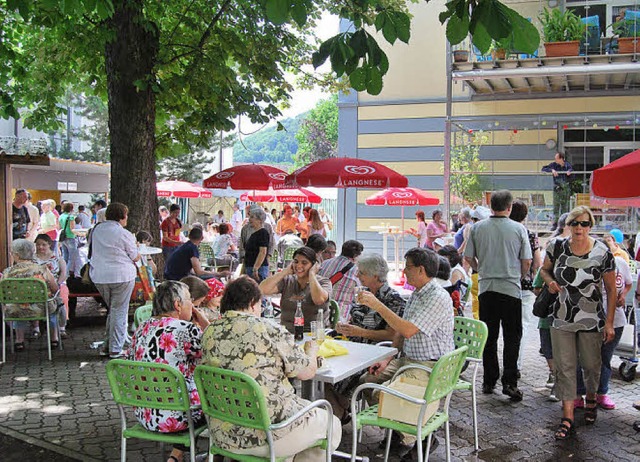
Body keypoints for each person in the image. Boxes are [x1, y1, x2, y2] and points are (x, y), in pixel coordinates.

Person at [201, 276, 341, 460]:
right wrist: (312, 351)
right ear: (252, 304)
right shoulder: (268, 329)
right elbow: (307, 372)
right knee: (332, 422)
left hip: (223, 432)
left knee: (305, 413)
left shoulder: (209, 331)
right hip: (267, 435)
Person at [358, 247, 454, 458]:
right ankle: (398, 432)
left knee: (382, 394)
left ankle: (421, 435)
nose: (403, 272)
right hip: (406, 359)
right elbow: (400, 332)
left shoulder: (436, 297)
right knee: (368, 380)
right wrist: (388, 358)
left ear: (421, 270)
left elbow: (408, 330)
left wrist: (377, 305)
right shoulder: (417, 294)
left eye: (407, 267)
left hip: (429, 366)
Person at [540, 206, 616, 439]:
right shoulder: (557, 246)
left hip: (592, 319)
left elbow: (612, 290)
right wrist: (550, 281)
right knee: (564, 367)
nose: (579, 228)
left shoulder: (602, 252)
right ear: (568, 225)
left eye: (584, 224)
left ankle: (591, 398)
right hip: (562, 317)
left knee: (592, 365)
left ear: (590, 226)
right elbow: (544, 270)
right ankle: (567, 416)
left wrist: (610, 322)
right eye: (575, 223)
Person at [128, 280, 209, 462]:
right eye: (190, 301)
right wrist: (204, 323)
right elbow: (217, 350)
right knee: (215, 400)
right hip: (176, 416)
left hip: (145, 412)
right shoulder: (185, 330)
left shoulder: (141, 328)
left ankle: (176, 456)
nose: (193, 305)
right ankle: (215, 455)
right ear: (177, 305)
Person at [464, 190, 532, 402]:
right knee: (512, 338)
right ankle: (510, 383)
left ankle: (489, 380)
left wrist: (480, 269)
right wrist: (517, 275)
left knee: (489, 337)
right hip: (511, 289)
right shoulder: (519, 228)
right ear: (509, 207)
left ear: (491, 206)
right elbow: (527, 261)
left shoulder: (477, 228)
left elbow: (468, 257)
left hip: (486, 289)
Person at [575, 249, 632, 411]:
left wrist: (622, 296)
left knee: (604, 358)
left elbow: (627, 284)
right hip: (587, 319)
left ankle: (601, 393)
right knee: (581, 358)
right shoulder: (584, 265)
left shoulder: (619, 263)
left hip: (616, 320)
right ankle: (578, 394)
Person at [89, 202, 141, 359]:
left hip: (99, 275)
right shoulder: (123, 233)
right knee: (119, 311)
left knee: (113, 310)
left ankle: (107, 345)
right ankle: (116, 349)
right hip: (122, 275)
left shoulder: (96, 230)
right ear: (122, 216)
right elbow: (135, 256)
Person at [3, 239, 61, 351]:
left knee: (18, 304)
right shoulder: (42, 269)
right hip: (42, 308)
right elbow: (55, 288)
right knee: (54, 305)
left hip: (15, 310)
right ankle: (54, 339)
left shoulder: (7, 272)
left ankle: (19, 341)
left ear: (17, 255)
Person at [337, 253, 405, 344]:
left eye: (361, 273)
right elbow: (355, 322)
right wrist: (345, 328)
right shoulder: (363, 293)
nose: (357, 275)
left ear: (375, 276)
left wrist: (361, 332)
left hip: (376, 350)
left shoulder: (393, 299)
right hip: (353, 345)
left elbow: (392, 335)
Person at [260, 246, 331, 332]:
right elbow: (262, 289)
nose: (299, 266)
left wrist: (312, 274)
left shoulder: (324, 282)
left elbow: (318, 300)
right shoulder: (288, 280)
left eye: (304, 263)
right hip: (286, 333)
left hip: (312, 333)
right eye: (296, 262)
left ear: (313, 265)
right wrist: (285, 271)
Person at [509, 200, 543, 374]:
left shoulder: (504, 233)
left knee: (505, 328)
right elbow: (536, 263)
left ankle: (507, 364)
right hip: (525, 286)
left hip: (504, 285)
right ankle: (516, 364)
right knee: (521, 326)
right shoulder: (529, 235)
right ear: (525, 215)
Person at [35, 233, 69, 338]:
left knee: (62, 295)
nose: (40, 247)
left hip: (55, 284)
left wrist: (57, 283)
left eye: (43, 244)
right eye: (38, 244)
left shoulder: (57, 258)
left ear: (49, 244)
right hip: (37, 286)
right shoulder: (32, 259)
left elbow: (64, 274)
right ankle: (35, 328)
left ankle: (62, 327)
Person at [318, 240, 364, 315]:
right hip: (341, 315)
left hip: (320, 310)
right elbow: (359, 298)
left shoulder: (324, 263)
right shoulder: (356, 270)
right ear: (356, 256)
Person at [541, 151, 573, 229]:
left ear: (561, 159)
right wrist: (552, 170)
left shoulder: (567, 165)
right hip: (557, 188)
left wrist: (569, 172)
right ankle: (555, 224)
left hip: (565, 189)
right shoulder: (554, 165)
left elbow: (571, 173)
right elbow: (543, 169)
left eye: (557, 158)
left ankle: (564, 224)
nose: (555, 160)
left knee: (565, 207)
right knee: (556, 207)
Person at [243, 207, 271, 281]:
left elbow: (262, 252)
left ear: (259, 220)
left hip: (258, 269)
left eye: (252, 217)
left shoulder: (263, 233)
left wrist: (255, 268)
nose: (249, 219)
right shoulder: (254, 234)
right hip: (250, 267)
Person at [58, 202, 82, 277]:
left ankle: (62, 272)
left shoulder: (61, 216)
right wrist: (80, 234)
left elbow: (59, 227)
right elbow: (72, 229)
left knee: (65, 256)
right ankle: (67, 273)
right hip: (71, 237)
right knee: (72, 257)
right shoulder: (71, 217)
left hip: (63, 238)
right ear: (71, 209)